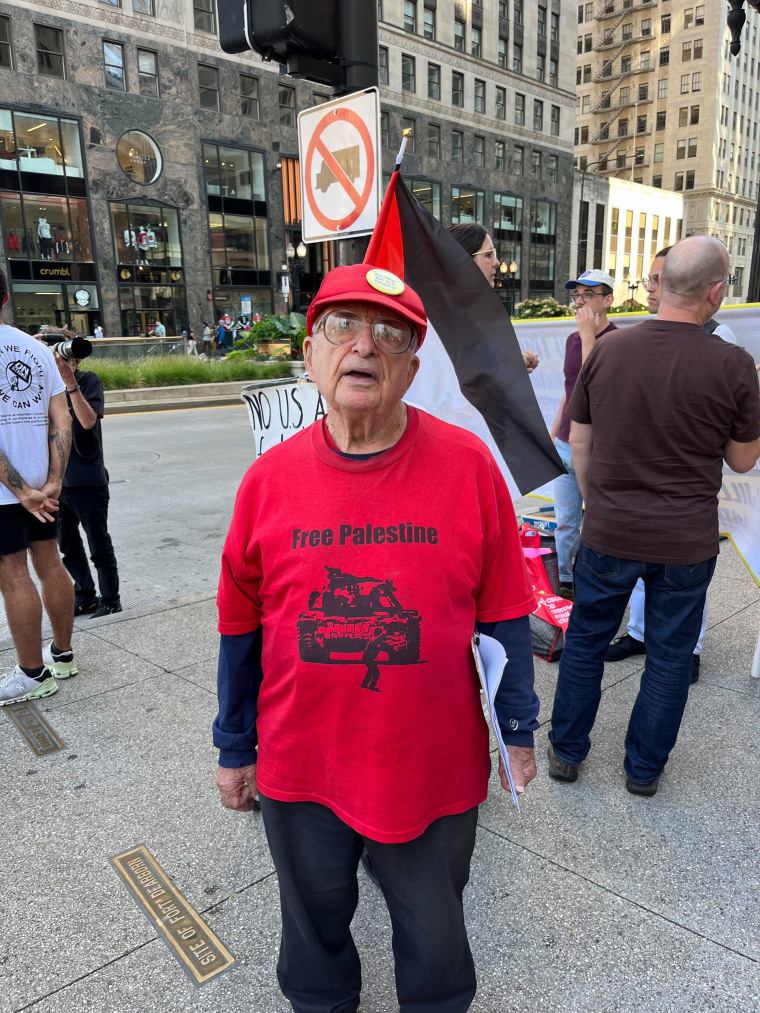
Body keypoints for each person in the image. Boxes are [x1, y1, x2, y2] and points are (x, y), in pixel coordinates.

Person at [213, 263, 539, 1012]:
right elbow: (239, 626)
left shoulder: (468, 466)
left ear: (412, 367)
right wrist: (234, 744)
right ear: (310, 353)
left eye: (390, 333)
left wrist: (517, 729)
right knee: (313, 931)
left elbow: (503, 611)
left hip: (429, 765)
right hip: (300, 763)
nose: (365, 345)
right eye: (342, 326)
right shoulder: (268, 479)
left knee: (436, 935)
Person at [547, 237, 760, 797]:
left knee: (587, 641)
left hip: (610, 530)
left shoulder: (609, 352)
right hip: (686, 542)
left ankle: (566, 753)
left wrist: (599, 505)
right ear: (715, 293)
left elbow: (582, 445)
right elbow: (742, 459)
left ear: (661, 286)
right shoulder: (735, 365)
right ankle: (643, 770)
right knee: (668, 658)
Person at [605, 246, 739, 680]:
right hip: (636, 508)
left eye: (658, 278)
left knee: (678, 614)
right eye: (650, 279)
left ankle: (687, 648)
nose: (652, 288)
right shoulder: (627, 342)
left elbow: (735, 449)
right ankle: (641, 633)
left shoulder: (721, 345)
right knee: (650, 585)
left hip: (679, 509)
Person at [0, 268, 77, 705]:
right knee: (50, 561)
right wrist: (53, 481)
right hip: (43, 483)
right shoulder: (36, 349)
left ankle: (32, 673)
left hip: (6, 492)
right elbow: (61, 419)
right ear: (6, 297)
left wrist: (21, 491)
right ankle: (62, 655)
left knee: (13, 573)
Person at [44, 330, 122, 620]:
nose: (68, 360)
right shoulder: (42, 387)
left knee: (98, 543)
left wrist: (69, 382)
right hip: (56, 482)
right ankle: (85, 595)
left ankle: (111, 599)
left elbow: (88, 422)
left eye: (71, 355)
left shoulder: (87, 380)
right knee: (68, 547)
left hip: (88, 479)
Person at [549, 269, 617, 598]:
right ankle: (566, 581)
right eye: (577, 295)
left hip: (595, 447)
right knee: (564, 520)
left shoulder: (617, 341)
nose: (580, 302)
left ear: (608, 300)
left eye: (588, 295)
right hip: (565, 442)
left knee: (597, 523)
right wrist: (553, 429)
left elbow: (596, 389)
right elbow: (571, 387)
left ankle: (593, 581)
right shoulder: (572, 339)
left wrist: (589, 337)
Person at [448, 223, 539, 373]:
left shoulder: (476, 308)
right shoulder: (445, 312)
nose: (496, 263)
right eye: (488, 254)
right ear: (465, 260)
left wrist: (515, 362)